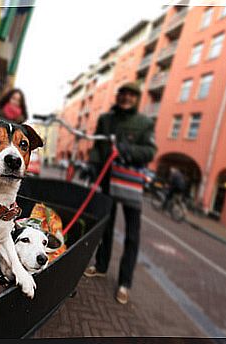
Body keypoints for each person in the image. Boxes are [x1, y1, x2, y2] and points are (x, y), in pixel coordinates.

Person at [83, 82, 157, 305]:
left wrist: (128, 150)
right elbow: (97, 145)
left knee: (132, 235)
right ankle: (102, 265)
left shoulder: (144, 123)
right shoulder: (106, 119)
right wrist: (94, 166)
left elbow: (150, 151)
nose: (126, 97)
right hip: (107, 179)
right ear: (118, 96)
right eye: (123, 93)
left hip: (130, 182)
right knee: (106, 225)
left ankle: (125, 282)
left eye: (131, 95)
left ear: (137, 98)